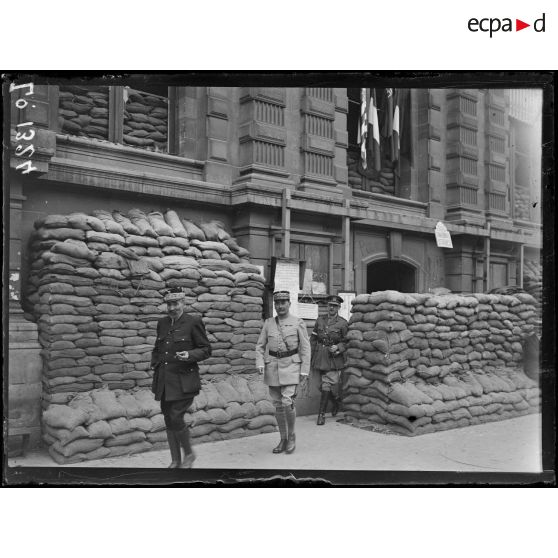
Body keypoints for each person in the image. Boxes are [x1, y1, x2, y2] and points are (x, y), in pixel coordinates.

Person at [150, 287, 211, 468]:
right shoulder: (162, 323)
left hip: (184, 381)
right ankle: (176, 460)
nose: (171, 308)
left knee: (176, 417)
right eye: (168, 304)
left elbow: (206, 349)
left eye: (175, 303)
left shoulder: (193, 322)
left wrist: (190, 355)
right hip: (164, 381)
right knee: (168, 418)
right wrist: (155, 363)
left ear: (183, 303)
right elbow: (157, 348)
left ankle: (189, 454)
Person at [255, 291, 311, 454]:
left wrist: (305, 370)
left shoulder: (298, 322)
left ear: (289, 304)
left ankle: (292, 435)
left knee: (288, 402)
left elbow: (305, 348)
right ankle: (283, 438)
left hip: (292, 367)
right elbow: (259, 346)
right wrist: (260, 362)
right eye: (277, 303)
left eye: (283, 302)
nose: (280, 306)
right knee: (278, 406)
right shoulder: (268, 323)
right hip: (272, 367)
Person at [310, 294, 348, 425]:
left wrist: (338, 347)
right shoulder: (320, 320)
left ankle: (321, 415)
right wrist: (309, 356)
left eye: (335, 306)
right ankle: (337, 401)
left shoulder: (343, 323)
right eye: (330, 305)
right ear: (327, 306)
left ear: (338, 307)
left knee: (326, 384)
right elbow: (313, 339)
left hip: (333, 358)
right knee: (318, 385)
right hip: (319, 356)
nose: (332, 308)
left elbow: (346, 342)